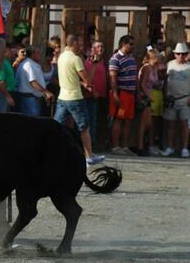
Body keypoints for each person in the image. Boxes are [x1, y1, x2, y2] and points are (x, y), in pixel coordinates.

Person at [54, 34, 104, 166]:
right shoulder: (75, 59)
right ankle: (88, 157)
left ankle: (51, 152)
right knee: (84, 128)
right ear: (74, 43)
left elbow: (71, 78)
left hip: (62, 96)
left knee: (56, 126)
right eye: (80, 42)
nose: (81, 45)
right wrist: (94, 64)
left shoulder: (62, 56)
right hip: (75, 97)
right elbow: (87, 79)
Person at [108, 34, 138, 155]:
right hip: (121, 93)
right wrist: (115, 95)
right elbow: (113, 78)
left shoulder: (131, 58)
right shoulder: (115, 59)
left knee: (127, 120)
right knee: (118, 119)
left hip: (130, 93)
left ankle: (125, 146)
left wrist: (138, 91)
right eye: (130, 44)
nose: (132, 46)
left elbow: (135, 77)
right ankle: (116, 146)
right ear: (123, 44)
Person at [161, 42, 190, 158]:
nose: (180, 56)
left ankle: (184, 148)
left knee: (185, 125)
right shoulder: (169, 65)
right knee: (170, 125)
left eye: (183, 54)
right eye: (178, 53)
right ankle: (170, 147)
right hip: (171, 99)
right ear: (175, 54)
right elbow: (164, 80)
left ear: (186, 54)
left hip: (185, 99)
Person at [15, 45, 54, 116]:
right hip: (29, 99)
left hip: (31, 98)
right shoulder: (29, 65)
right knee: (31, 121)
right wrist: (46, 92)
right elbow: (33, 82)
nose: (40, 54)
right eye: (38, 53)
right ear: (33, 54)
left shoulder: (31, 64)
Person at [136, 47, 161, 155]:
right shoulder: (146, 68)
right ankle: (140, 147)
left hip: (149, 95)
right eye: (157, 58)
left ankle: (144, 144)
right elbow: (142, 84)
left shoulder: (153, 68)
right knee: (143, 123)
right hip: (144, 97)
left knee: (148, 123)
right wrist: (148, 96)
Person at [84, 41, 107, 150]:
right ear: (93, 49)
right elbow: (87, 79)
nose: (100, 48)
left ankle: (97, 142)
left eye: (102, 46)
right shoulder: (89, 62)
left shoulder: (103, 62)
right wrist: (92, 92)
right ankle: (91, 144)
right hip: (90, 95)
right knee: (91, 119)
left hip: (102, 95)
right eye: (98, 46)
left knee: (98, 120)